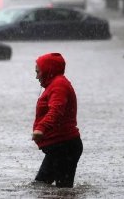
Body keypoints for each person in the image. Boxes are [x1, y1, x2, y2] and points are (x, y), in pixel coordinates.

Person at [32, 53, 83, 188]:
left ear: (48, 70)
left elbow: (56, 110)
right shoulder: (55, 84)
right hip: (60, 146)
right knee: (41, 187)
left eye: (38, 72)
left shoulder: (59, 85)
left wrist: (41, 128)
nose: (36, 76)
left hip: (64, 146)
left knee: (60, 190)